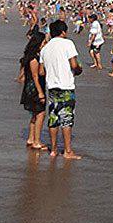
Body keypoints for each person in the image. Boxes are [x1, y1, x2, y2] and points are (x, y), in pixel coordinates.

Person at [39, 20, 82, 159]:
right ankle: (68, 151)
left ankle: (54, 149)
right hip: (66, 86)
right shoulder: (68, 43)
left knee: (53, 117)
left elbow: (41, 72)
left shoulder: (45, 48)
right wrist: (78, 69)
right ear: (63, 32)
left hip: (51, 87)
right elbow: (74, 64)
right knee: (66, 118)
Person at [19, 32, 47, 151]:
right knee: (40, 113)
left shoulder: (31, 56)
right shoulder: (34, 59)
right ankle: (36, 141)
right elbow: (35, 76)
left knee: (34, 114)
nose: (45, 44)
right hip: (34, 89)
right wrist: (41, 92)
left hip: (29, 89)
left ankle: (31, 138)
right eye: (44, 42)